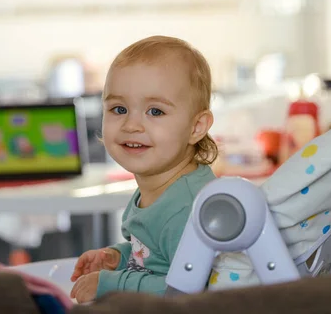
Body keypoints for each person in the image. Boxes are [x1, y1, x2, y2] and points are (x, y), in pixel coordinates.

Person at [69, 35, 219, 303]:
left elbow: (189, 290)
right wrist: (119, 257)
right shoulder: (160, 187)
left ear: (196, 127)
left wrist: (110, 284)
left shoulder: (187, 208)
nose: (131, 125)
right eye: (119, 108)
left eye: (155, 112)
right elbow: (156, 256)